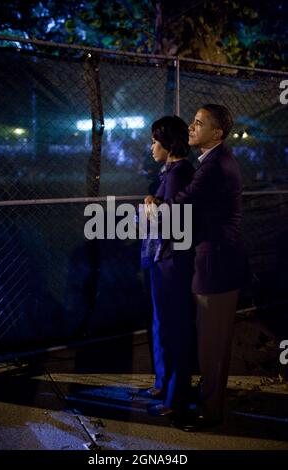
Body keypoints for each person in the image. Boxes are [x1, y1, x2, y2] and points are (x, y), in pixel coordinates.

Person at [145, 104, 249, 429]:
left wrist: (155, 206)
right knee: (210, 344)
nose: (191, 127)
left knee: (212, 347)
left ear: (216, 133)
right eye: (192, 122)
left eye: (199, 123)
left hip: (216, 265)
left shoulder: (214, 165)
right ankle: (208, 404)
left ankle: (209, 412)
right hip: (214, 262)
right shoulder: (211, 162)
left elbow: (180, 205)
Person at [140, 115, 195, 416]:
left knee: (172, 326)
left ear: (168, 143)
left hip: (171, 261)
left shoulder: (177, 174)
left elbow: (171, 223)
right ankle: (165, 383)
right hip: (167, 259)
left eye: (154, 141)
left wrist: (151, 208)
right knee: (163, 323)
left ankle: (175, 398)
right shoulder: (171, 172)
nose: (150, 147)